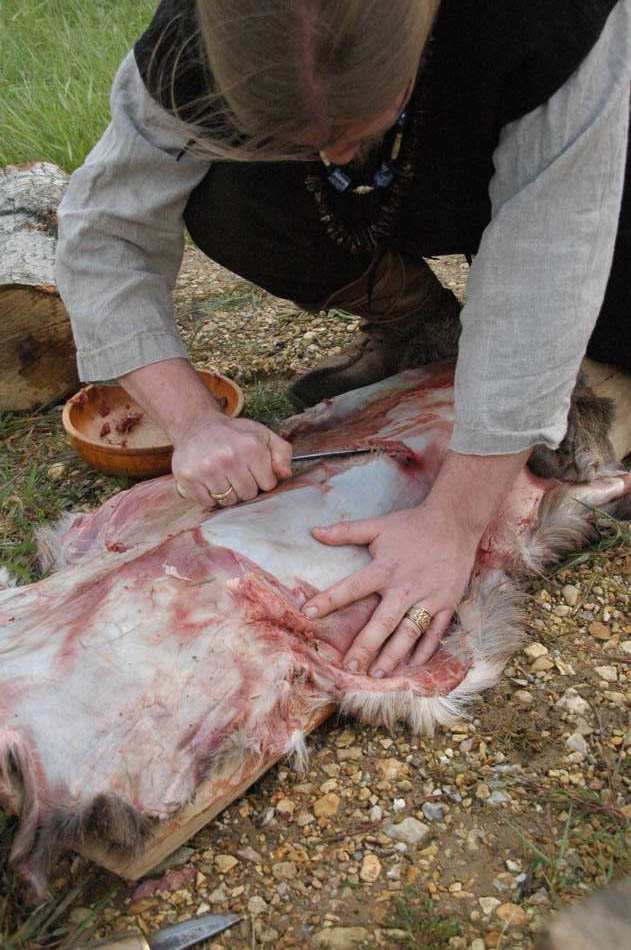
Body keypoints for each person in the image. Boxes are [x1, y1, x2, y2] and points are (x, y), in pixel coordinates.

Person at [56, 0, 631, 679]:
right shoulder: (192, 42)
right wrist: (193, 422)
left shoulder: (550, 25)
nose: (333, 156)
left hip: (593, 170)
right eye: (309, 140)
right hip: (400, 166)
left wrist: (452, 521)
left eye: (350, 126)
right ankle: (421, 328)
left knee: (608, 333)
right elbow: (106, 233)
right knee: (231, 193)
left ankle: (600, 390)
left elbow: (543, 273)